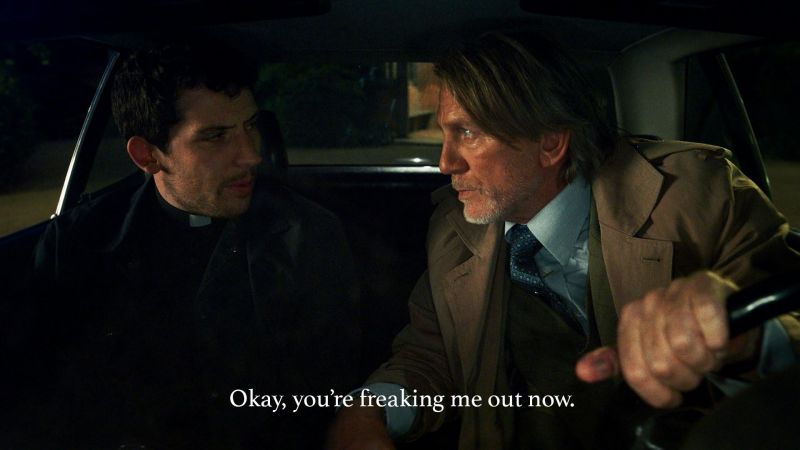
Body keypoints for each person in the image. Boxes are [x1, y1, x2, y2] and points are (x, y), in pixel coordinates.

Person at [327, 32, 800, 449]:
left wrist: (745, 338)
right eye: (445, 134)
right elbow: (433, 355)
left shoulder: (698, 194)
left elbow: (789, 317)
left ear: (551, 143)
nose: (446, 163)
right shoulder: (452, 229)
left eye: (467, 133)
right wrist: (368, 410)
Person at [2, 41, 360, 449]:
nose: (250, 156)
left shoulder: (308, 234)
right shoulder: (80, 242)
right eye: (215, 137)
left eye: (250, 126)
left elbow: (329, 394)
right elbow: (43, 396)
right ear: (148, 155)